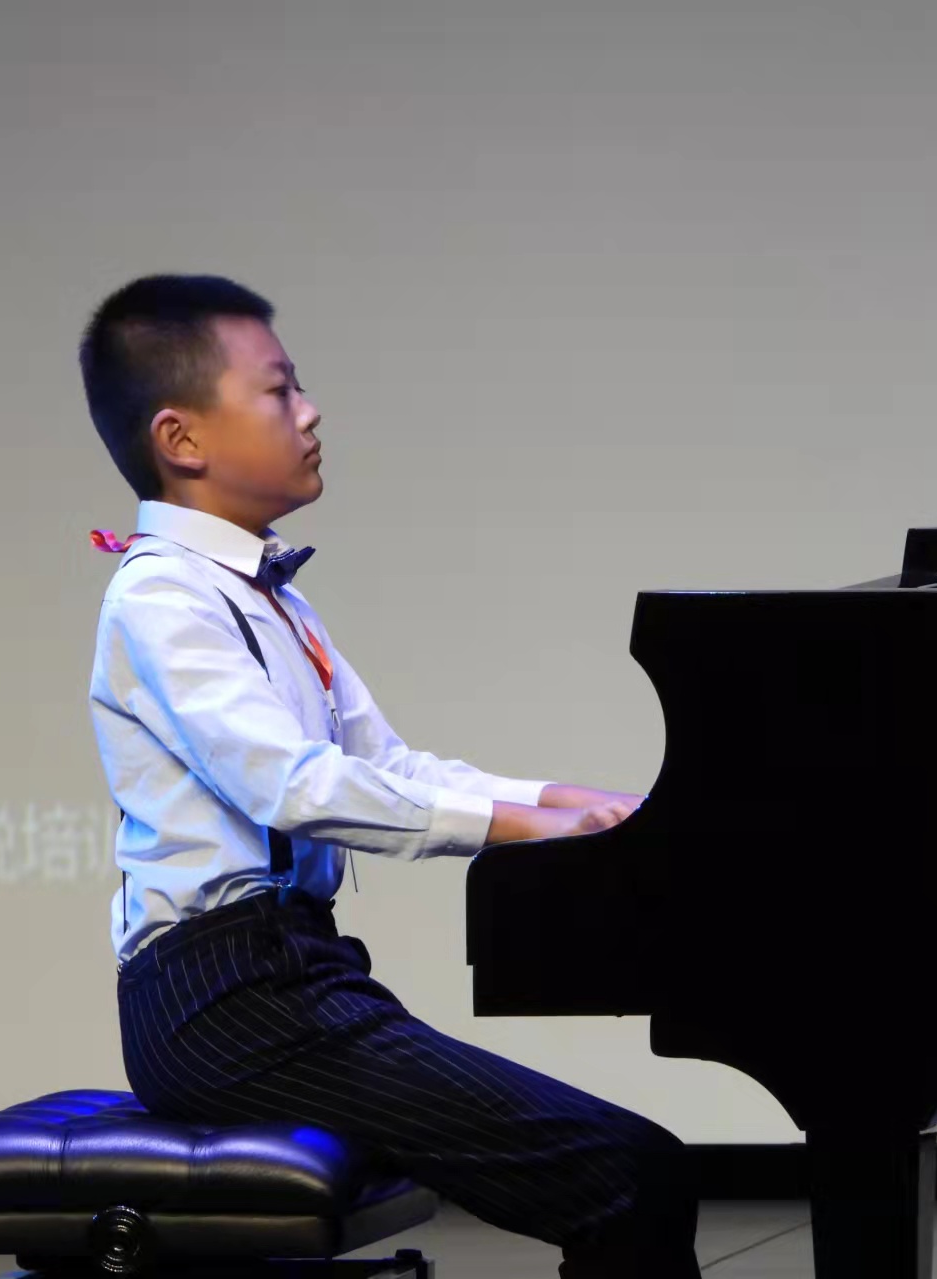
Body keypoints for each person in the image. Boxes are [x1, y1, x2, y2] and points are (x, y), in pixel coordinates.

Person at [81, 274, 700, 1279]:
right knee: (628, 1173)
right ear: (181, 439)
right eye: (279, 389)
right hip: (220, 1002)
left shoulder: (271, 595)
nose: (310, 410)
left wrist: (557, 798)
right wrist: (523, 830)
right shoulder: (160, 598)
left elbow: (387, 767)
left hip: (296, 974)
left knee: (635, 1169)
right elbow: (295, 786)